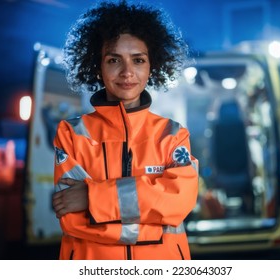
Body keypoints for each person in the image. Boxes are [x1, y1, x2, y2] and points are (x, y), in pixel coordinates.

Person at [52, 0, 199, 260]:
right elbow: (73, 221)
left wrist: (92, 197)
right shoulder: (72, 134)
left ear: (151, 66)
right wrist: (155, 220)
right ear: (98, 66)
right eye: (114, 60)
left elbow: (178, 203)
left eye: (138, 60)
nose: (127, 72)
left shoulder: (173, 135)